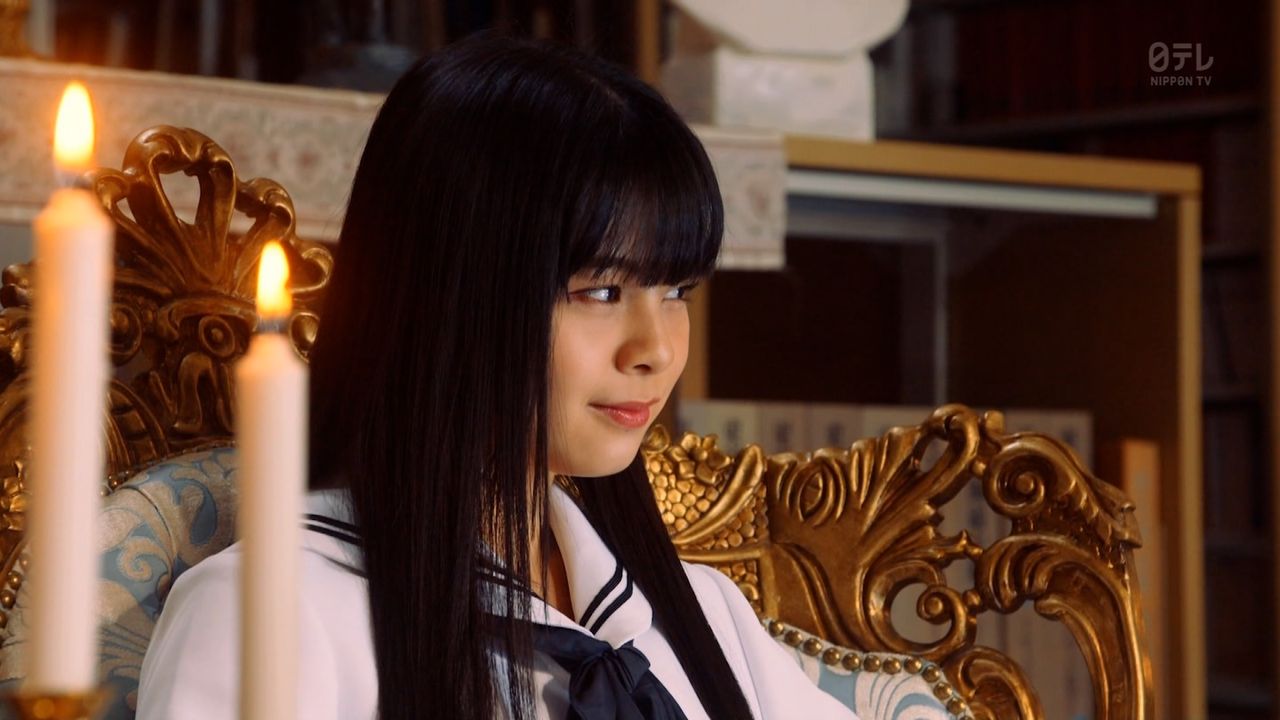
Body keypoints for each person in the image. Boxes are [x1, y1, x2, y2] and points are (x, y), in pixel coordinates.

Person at [137, 35, 858, 720]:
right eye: (602, 291)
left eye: (677, 291)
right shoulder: (271, 614)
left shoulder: (703, 615)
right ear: (451, 292)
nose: (658, 351)